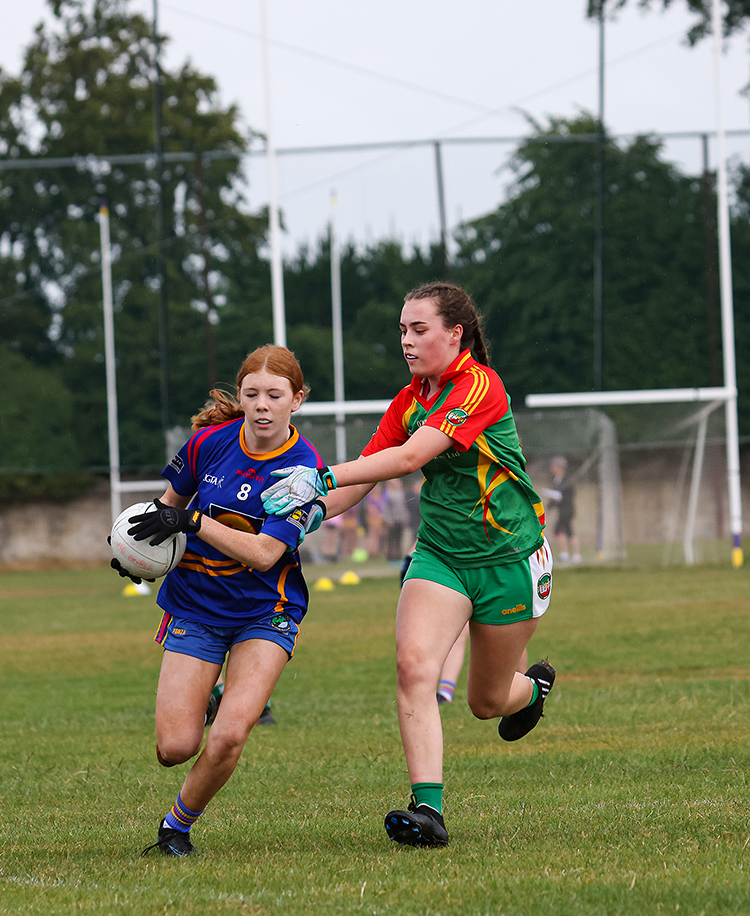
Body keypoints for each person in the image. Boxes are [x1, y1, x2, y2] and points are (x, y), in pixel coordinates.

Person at [262, 282, 555, 849]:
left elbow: (412, 457)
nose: (407, 340)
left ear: (455, 333)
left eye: (419, 329)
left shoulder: (479, 385)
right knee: (414, 668)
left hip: (509, 561)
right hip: (441, 555)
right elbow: (371, 471)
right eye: (402, 330)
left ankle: (534, 690)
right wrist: (306, 513)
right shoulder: (410, 398)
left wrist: (319, 476)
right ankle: (429, 811)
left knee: (486, 702)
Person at [113, 345, 324, 857]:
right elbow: (166, 510)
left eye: (275, 396)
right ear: (242, 395)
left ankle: (175, 828)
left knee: (230, 735)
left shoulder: (301, 468)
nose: (262, 405)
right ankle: (208, 697)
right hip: (196, 605)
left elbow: (265, 553)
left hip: (266, 612)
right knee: (175, 748)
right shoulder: (208, 442)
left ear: (296, 400)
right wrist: (137, 551)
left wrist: (193, 522)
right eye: (252, 394)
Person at [542, 456, 581, 565]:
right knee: (569, 531)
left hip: (567, 510)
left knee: (559, 530)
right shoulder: (557, 480)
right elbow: (555, 498)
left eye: (553, 466)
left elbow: (568, 495)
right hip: (562, 510)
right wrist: (549, 507)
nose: (552, 468)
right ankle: (575, 555)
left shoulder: (567, 479)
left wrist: (559, 496)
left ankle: (565, 554)